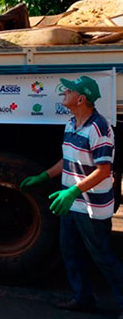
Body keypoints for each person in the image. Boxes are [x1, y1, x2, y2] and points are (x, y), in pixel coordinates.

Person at [20, 75, 123, 317]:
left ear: (81, 98)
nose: (64, 92)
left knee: (103, 258)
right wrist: (43, 177)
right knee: (70, 252)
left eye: (69, 91)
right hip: (71, 204)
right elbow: (67, 160)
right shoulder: (71, 123)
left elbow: (103, 171)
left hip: (91, 207)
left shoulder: (100, 128)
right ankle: (83, 298)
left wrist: (73, 190)